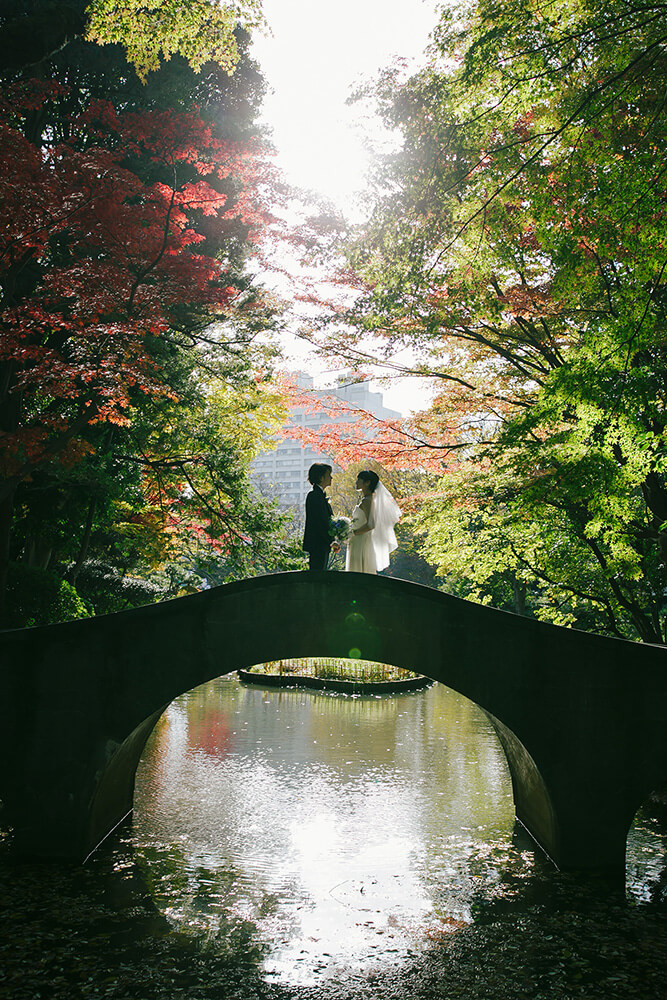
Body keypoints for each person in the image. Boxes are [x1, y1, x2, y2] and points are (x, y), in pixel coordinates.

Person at [346, 470, 401, 574]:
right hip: (360, 539)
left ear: (367, 483)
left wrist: (352, 533)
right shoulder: (369, 499)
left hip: (361, 540)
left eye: (359, 479)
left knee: (358, 572)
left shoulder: (367, 500)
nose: (356, 482)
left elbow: (371, 524)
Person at [302, 463, 339, 571]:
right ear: (321, 477)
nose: (331, 477)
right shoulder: (314, 495)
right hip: (317, 543)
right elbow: (319, 522)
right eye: (329, 475)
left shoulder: (319, 495)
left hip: (322, 543)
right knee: (317, 576)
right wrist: (331, 541)